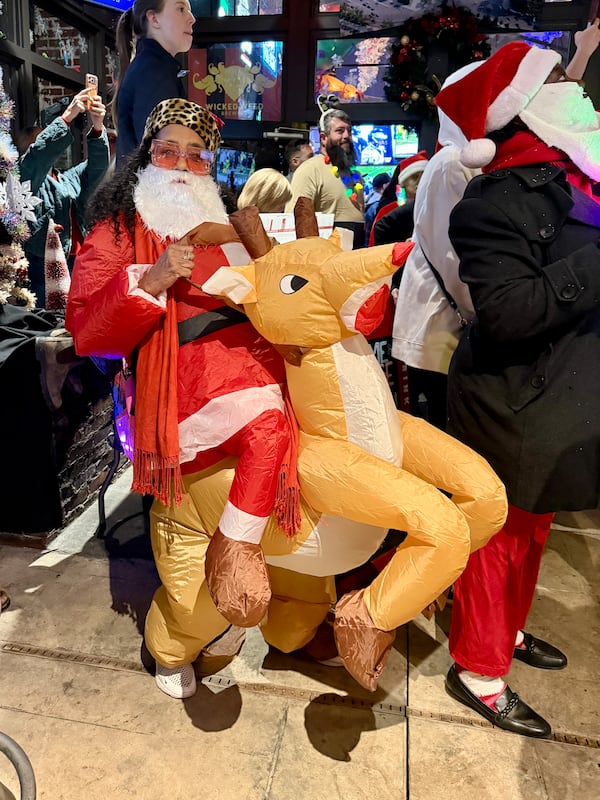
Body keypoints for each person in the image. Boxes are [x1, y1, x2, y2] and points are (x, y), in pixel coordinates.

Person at [66, 98, 335, 699]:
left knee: (306, 499)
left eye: (198, 155)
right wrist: (152, 278)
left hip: (267, 392)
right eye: (169, 151)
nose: (183, 165)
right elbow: (87, 329)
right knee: (198, 533)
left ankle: (295, 621)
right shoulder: (118, 227)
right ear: (146, 157)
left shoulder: (228, 227)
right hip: (180, 410)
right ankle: (176, 638)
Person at [434, 40, 600, 738]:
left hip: (557, 402)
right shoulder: (494, 200)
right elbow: (504, 313)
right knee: (497, 539)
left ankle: (508, 634)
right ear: (529, 107)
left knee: (530, 536)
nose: (580, 89)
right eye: (563, 79)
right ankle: (478, 667)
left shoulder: (577, 183)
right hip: (511, 403)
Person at [391, 20, 600, 432]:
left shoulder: (545, 170)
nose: (572, 90)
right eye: (554, 80)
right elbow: (455, 259)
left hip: (503, 336)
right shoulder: (457, 166)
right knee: (443, 438)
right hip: (448, 329)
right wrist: (485, 311)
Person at [16, 88, 109, 310]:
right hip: (42, 269)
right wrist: (67, 117)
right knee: (49, 325)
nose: (52, 141)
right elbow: (39, 155)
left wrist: (97, 127)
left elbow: (97, 168)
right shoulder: (25, 178)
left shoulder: (65, 178)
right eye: (43, 137)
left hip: (77, 264)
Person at [113, 0, 195, 164]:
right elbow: (163, 159)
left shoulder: (151, 66)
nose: (192, 18)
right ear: (154, 19)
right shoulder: (154, 70)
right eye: (181, 9)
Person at [288, 107, 365, 248]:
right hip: (326, 255)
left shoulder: (355, 174)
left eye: (349, 131)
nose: (347, 136)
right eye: (340, 131)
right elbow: (295, 218)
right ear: (323, 138)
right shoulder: (310, 169)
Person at [369, 151, 428, 247]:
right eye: (415, 177)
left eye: (425, 175)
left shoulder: (435, 207)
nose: (420, 181)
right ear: (403, 184)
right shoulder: (388, 211)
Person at [363, 171, 390, 245]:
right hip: (376, 244)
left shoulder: (369, 200)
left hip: (367, 243)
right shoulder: (379, 204)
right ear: (385, 186)